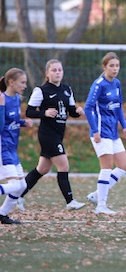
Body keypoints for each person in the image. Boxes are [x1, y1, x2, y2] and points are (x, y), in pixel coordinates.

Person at [16, 59, 86, 211]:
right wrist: (44, 113)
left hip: (59, 133)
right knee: (63, 165)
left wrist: (78, 111)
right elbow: (29, 112)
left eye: (59, 70)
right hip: (47, 134)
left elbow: (71, 111)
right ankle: (70, 201)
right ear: (47, 73)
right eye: (54, 70)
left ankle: (18, 196)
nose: (57, 73)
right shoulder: (41, 90)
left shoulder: (67, 90)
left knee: (42, 169)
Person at [84, 52, 126, 215]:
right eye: (111, 66)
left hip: (113, 132)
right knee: (106, 167)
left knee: (123, 166)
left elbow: (119, 107)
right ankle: (101, 206)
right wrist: (95, 130)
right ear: (104, 67)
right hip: (101, 131)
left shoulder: (117, 83)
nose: (115, 69)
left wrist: (124, 126)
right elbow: (88, 108)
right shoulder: (99, 85)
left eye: (117, 66)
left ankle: (96, 195)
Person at [0, 68, 34, 224]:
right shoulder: (2, 99)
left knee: (22, 186)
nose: (25, 86)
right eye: (22, 82)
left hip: (12, 148)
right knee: (14, 185)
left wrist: (22, 123)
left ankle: (2, 214)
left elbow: (10, 122)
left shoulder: (17, 99)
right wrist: (1, 106)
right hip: (3, 147)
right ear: (11, 82)